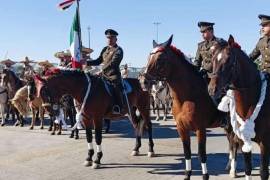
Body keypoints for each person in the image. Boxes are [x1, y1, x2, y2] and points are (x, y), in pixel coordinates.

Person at [87, 29, 124, 114]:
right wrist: (86, 62)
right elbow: (98, 61)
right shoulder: (105, 49)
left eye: (111, 38)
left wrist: (101, 70)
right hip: (103, 76)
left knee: (115, 88)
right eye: (108, 38)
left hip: (113, 76)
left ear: (116, 39)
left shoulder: (118, 50)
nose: (109, 40)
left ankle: (118, 106)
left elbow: (113, 63)